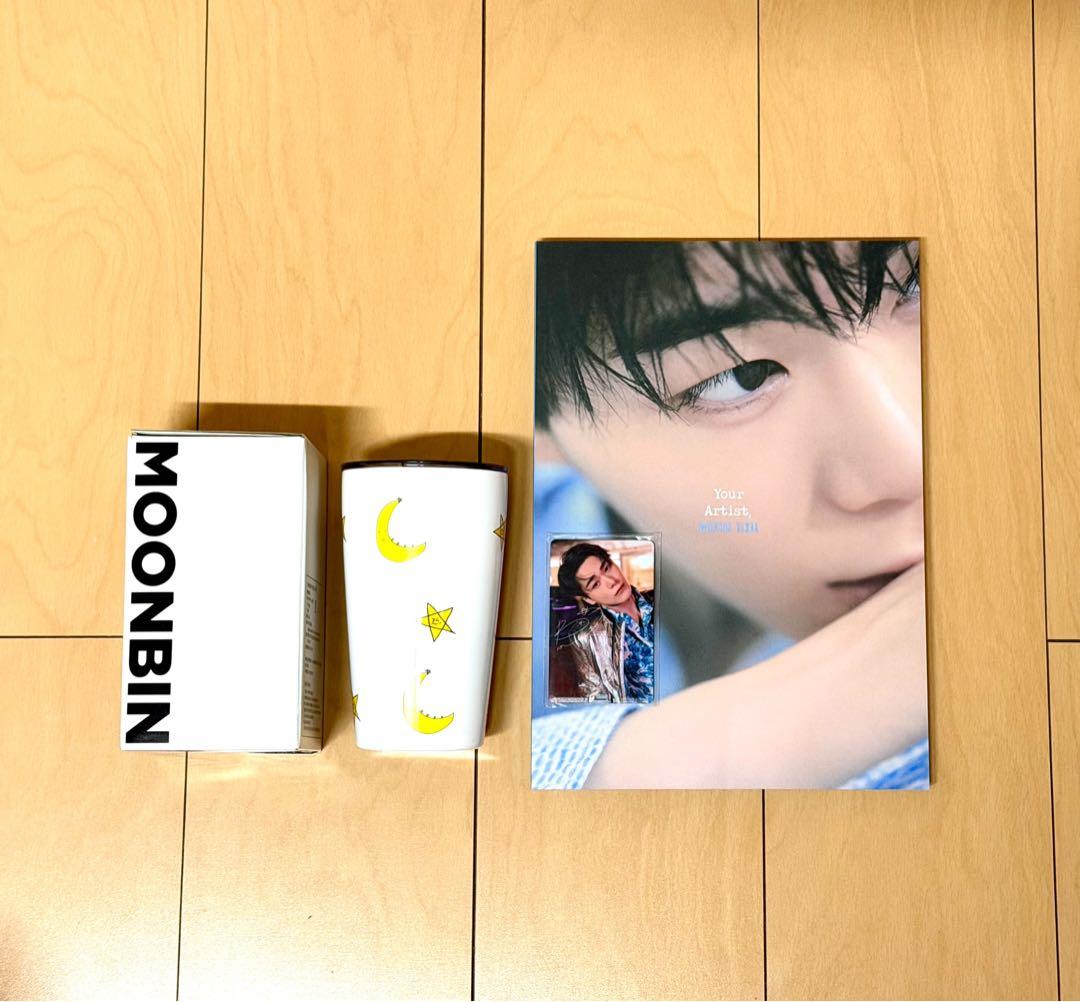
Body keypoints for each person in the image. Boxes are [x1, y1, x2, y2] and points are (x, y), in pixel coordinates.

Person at [530, 239, 929, 790]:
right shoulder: (547, 547)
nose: (910, 464)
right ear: (544, 440)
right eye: (743, 375)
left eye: (915, 287)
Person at [551, 542, 655, 704]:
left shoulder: (662, 599)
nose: (611, 581)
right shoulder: (588, 639)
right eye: (595, 584)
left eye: (606, 568)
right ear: (588, 599)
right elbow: (595, 698)